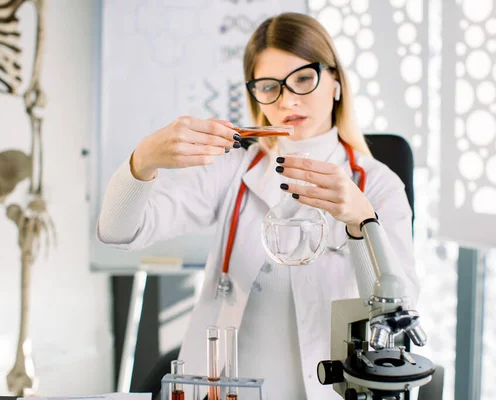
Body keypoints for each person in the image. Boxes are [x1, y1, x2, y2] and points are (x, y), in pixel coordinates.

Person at [97, 12, 419, 400]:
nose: (288, 99)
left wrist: (359, 222)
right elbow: (118, 231)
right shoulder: (233, 169)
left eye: (303, 78)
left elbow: (398, 314)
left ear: (336, 82)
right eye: (269, 86)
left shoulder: (378, 185)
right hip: (226, 389)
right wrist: (144, 159)